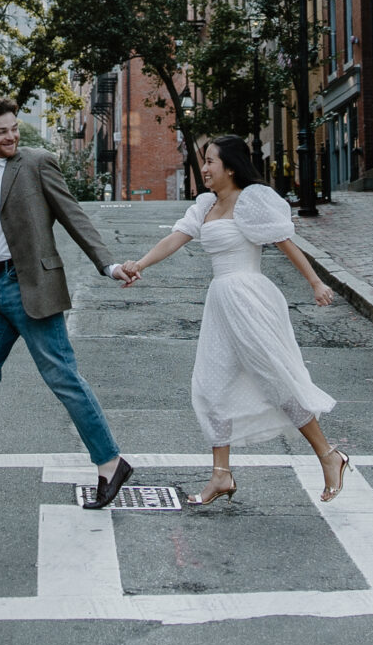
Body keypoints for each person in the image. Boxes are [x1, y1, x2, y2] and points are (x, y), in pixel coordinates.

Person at [0, 97, 139, 510]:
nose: (10, 136)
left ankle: (111, 462)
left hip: (33, 288)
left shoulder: (37, 163)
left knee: (62, 376)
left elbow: (73, 215)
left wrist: (108, 264)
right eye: (1, 130)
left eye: (13, 128)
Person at [119, 135, 348, 507]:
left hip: (250, 299)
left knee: (276, 378)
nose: (204, 168)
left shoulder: (252, 200)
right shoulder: (206, 204)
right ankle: (221, 475)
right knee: (211, 386)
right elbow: (176, 238)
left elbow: (286, 242)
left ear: (230, 167)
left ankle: (328, 455)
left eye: (210, 161)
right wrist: (139, 264)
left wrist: (316, 283)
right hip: (220, 303)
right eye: (203, 161)